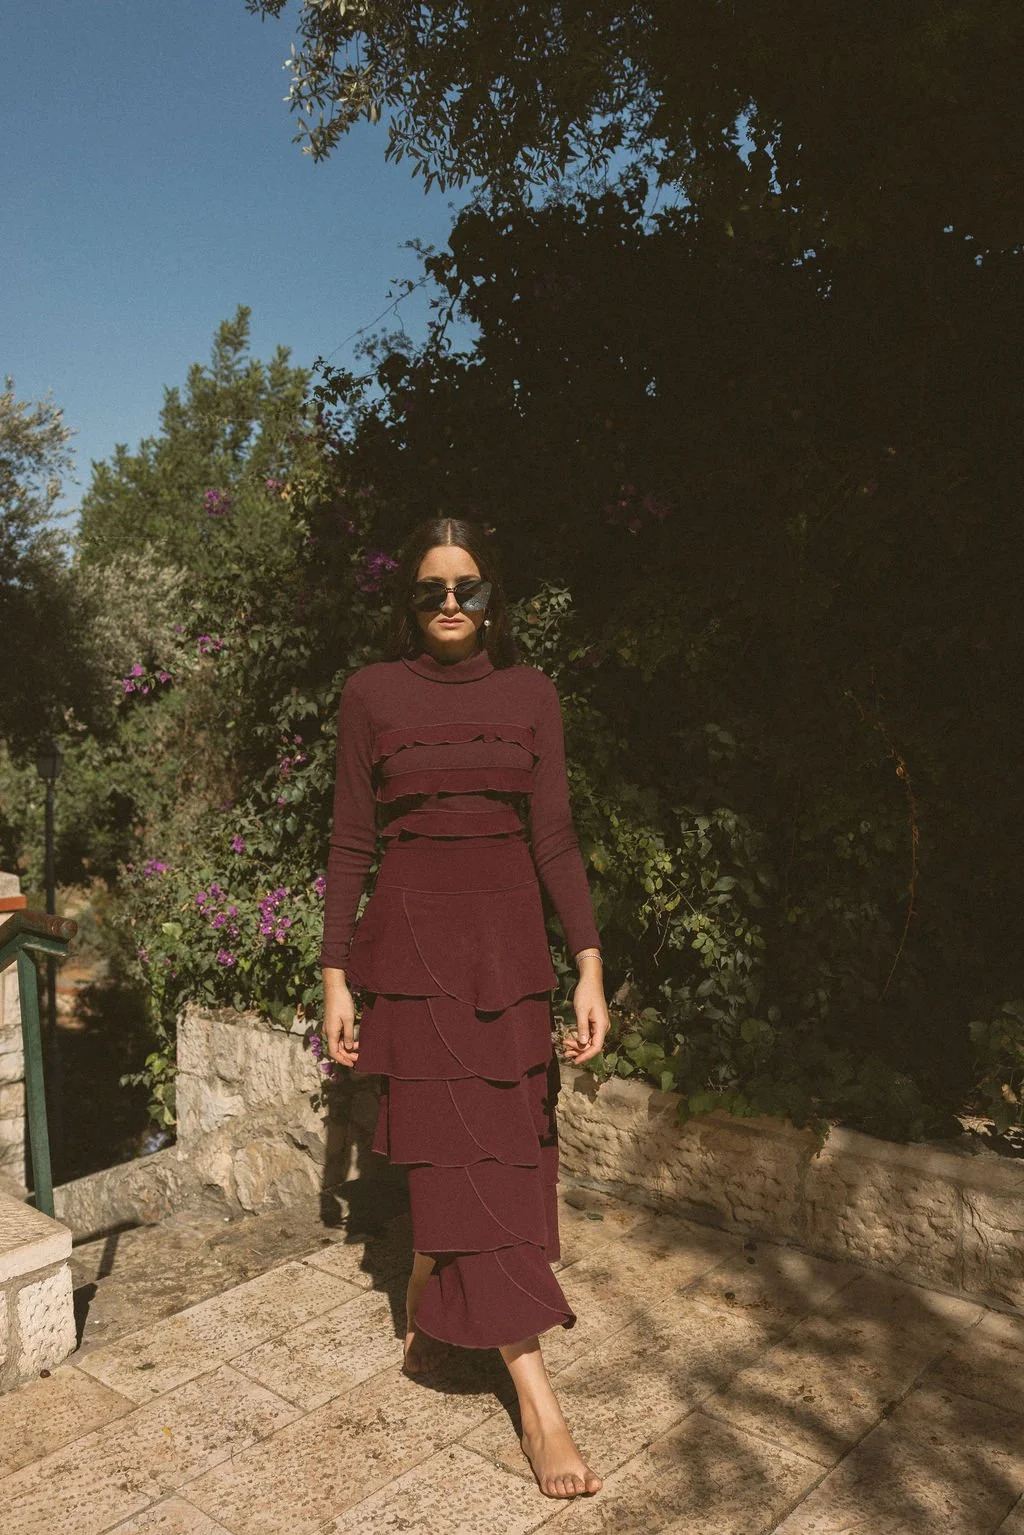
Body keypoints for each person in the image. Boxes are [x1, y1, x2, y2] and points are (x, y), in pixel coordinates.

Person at [320, 516, 610, 1499]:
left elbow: (555, 836)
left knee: (505, 1151)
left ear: (493, 599)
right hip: (410, 953)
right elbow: (350, 841)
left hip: (508, 952)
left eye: (469, 586)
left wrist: (588, 965)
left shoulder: (532, 695)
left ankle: (426, 1294)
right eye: (432, 588)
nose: (451, 602)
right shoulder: (370, 693)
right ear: (409, 601)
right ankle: (540, 1404)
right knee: (460, 1154)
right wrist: (333, 973)